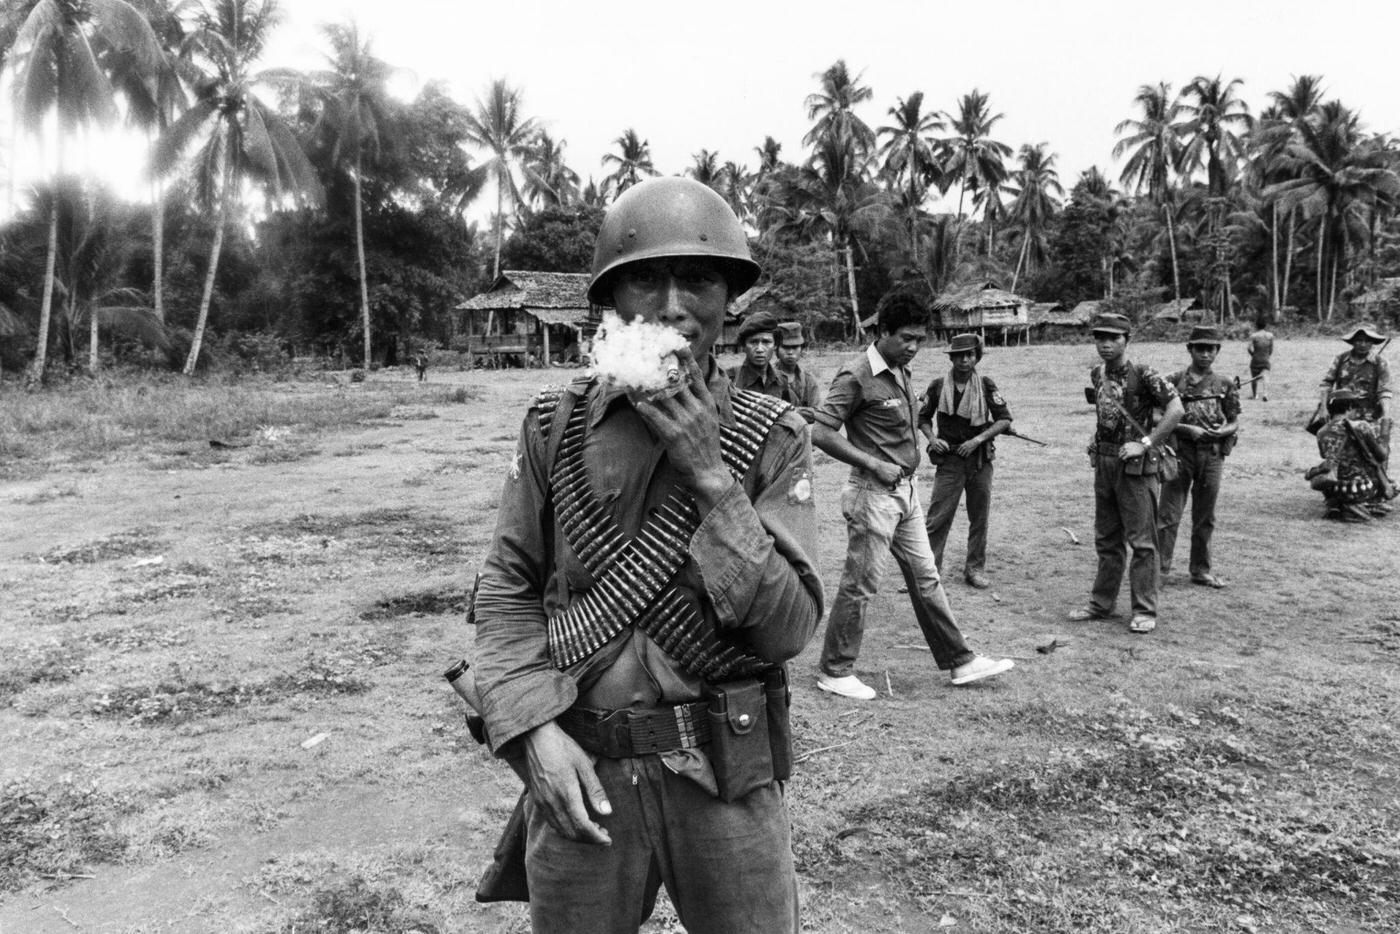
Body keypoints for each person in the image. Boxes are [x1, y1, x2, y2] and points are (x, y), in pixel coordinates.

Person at [470, 177, 822, 934]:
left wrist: (709, 475)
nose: (671, 307)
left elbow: (788, 630)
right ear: (608, 301)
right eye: (644, 280)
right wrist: (531, 733)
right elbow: (506, 590)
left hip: (725, 777)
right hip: (581, 768)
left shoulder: (773, 435)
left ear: (728, 300)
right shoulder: (552, 429)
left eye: (697, 279)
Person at [811, 292, 1013, 701]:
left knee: (927, 579)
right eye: (906, 338)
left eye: (920, 339)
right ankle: (835, 669)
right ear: (882, 332)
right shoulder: (855, 375)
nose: (915, 348)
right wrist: (871, 462)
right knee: (861, 585)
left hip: (908, 493)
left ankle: (959, 660)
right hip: (873, 495)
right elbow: (820, 431)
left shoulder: (901, 370)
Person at [1068, 313, 1183, 635]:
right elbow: (1105, 414)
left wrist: (1145, 443)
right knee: (1106, 539)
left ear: (1127, 340)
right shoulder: (1097, 373)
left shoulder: (1145, 373)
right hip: (1105, 464)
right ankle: (1101, 604)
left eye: (1113, 338)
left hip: (1136, 468)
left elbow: (1176, 410)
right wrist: (1095, 443)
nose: (1105, 344)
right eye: (1099, 337)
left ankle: (1145, 610)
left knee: (1143, 542)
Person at [917, 333, 1012, 589]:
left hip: (979, 460)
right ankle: (928, 571)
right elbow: (923, 417)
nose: (964, 360)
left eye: (969, 355)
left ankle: (974, 569)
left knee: (979, 516)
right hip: (949, 461)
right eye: (958, 355)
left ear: (976, 357)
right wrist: (932, 438)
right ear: (952, 358)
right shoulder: (937, 386)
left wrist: (978, 440)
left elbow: (1004, 419)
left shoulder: (986, 385)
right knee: (937, 518)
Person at [1157, 326, 1240, 588]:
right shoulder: (1173, 381)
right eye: (1199, 348)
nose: (1205, 354)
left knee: (1205, 516)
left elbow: (1234, 420)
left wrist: (1220, 431)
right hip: (1180, 453)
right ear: (1189, 349)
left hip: (1212, 456)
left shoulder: (1224, 384)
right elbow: (1158, 417)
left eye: (1210, 349)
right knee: (1168, 515)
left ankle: (1201, 570)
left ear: (1217, 351)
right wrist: (1185, 429)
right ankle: (1159, 570)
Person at [1306, 388, 1395, 521]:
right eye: (1355, 408)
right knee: (1393, 486)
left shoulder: (1321, 431)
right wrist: (1384, 433)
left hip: (1332, 486)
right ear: (1349, 407)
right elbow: (1382, 455)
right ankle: (1367, 505)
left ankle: (1335, 504)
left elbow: (1325, 456)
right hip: (1359, 487)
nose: (1356, 412)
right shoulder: (1361, 426)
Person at [1316, 323, 1392, 426]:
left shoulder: (1380, 362)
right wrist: (1323, 409)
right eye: (1359, 340)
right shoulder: (1341, 359)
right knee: (1327, 437)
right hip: (1341, 412)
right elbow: (1326, 384)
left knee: (1367, 440)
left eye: (1367, 341)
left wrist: (1386, 416)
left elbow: (1384, 392)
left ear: (1372, 343)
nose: (1363, 344)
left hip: (1369, 415)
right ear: (1352, 342)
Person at [728, 311, 791, 400]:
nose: (760, 349)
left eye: (766, 342)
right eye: (753, 342)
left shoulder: (781, 380)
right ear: (744, 346)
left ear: (775, 345)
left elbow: (787, 411)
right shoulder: (730, 379)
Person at [774, 321, 823, 415]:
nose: (790, 352)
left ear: (801, 349)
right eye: (785, 347)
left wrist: (789, 412)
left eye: (795, 347)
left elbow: (817, 413)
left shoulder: (808, 380)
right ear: (776, 349)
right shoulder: (769, 377)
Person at [1245, 314, 1273, 400]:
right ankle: (1265, 394)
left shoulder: (1253, 336)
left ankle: (1255, 395)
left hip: (1256, 359)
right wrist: (1267, 356)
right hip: (1265, 359)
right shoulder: (1270, 336)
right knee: (1266, 377)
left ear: (1256, 325)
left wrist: (1253, 355)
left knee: (1254, 378)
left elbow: (1249, 348)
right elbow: (1271, 349)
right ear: (1265, 325)